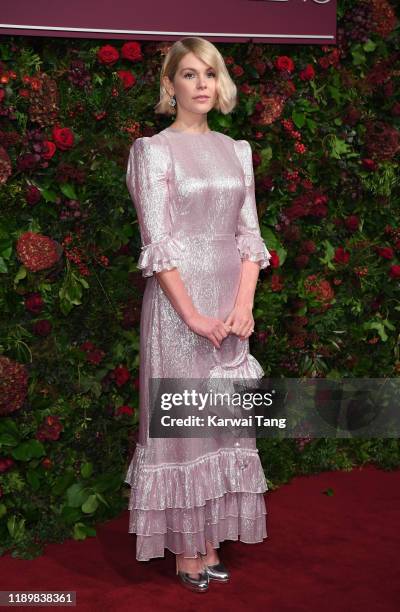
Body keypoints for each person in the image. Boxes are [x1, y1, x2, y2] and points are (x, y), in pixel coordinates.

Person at [124, 36, 272, 593]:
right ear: (170, 85)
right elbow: (157, 243)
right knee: (182, 427)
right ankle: (188, 552)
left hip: (229, 310)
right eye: (190, 74)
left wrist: (242, 306)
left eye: (210, 73)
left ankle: (210, 543)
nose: (203, 83)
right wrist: (193, 318)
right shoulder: (152, 151)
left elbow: (249, 235)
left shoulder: (238, 151)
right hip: (177, 310)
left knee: (219, 427)